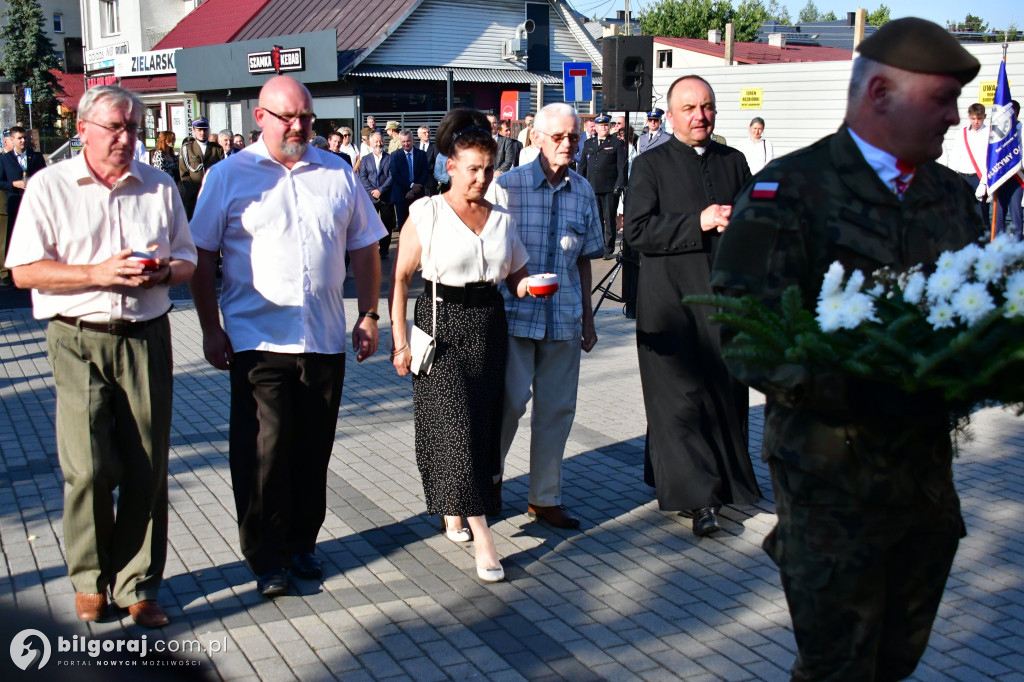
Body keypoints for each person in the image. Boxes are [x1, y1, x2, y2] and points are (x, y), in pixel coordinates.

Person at [710, 18, 983, 679]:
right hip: (830, 479)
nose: (955, 117)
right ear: (881, 92)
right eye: (941, 99)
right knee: (838, 667)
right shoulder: (792, 190)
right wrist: (859, 376)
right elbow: (742, 331)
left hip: (923, 480)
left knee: (896, 660)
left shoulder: (951, 197)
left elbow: (984, 307)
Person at [4, 85, 198, 628]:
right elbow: (23, 271)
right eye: (114, 127)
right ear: (83, 129)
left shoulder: (158, 186)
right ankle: (90, 580)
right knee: (87, 467)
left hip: (144, 334)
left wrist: (163, 272)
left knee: (146, 465)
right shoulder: (50, 186)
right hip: (76, 336)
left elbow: (186, 260)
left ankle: (139, 584)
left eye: (132, 128)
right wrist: (96, 274)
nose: (125, 138)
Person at [188, 75, 385, 598]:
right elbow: (201, 255)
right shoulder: (227, 176)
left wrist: (368, 314)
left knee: (312, 449)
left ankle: (302, 543)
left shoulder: (338, 172)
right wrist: (210, 327)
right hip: (257, 341)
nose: (298, 126)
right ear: (260, 118)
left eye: (306, 117)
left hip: (322, 339)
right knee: (264, 452)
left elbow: (365, 246)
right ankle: (266, 554)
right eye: (287, 117)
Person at [389, 108, 532, 583]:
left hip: (489, 322)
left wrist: (529, 285)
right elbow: (401, 279)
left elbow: (515, 275)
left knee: (481, 425)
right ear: (450, 165)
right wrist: (398, 342)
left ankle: (455, 503)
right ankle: (485, 539)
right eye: (472, 168)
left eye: (488, 169)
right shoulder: (426, 212)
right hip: (440, 323)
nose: (481, 178)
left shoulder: (502, 219)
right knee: (455, 427)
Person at [623, 75, 759, 537]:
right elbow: (637, 233)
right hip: (670, 305)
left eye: (707, 107)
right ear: (670, 112)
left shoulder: (734, 161)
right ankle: (698, 500)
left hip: (722, 299)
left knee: (723, 392)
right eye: (689, 108)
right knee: (679, 400)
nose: (700, 116)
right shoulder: (649, 165)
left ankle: (722, 482)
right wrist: (698, 221)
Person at [491, 102, 604, 529]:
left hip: (564, 316)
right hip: (515, 314)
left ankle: (544, 497)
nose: (567, 144)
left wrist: (589, 320)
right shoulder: (508, 187)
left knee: (557, 410)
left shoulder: (584, 190)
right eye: (558, 136)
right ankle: (492, 478)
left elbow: (587, 259)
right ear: (535, 138)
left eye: (574, 136)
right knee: (509, 403)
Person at [579, 114, 627, 259]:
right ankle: (598, 246)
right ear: (596, 127)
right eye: (600, 126)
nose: (603, 128)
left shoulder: (616, 143)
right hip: (593, 186)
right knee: (596, 219)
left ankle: (608, 248)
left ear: (609, 126)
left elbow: (621, 167)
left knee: (609, 218)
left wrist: (619, 184)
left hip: (610, 188)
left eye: (606, 125)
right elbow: (582, 166)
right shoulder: (589, 143)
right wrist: (580, 183)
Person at [0, 126, 47, 260]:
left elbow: (44, 177)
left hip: (32, 204)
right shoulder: (4, 159)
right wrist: (14, 184)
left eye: (25, 137)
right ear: (12, 140)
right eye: (19, 138)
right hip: (13, 203)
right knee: (12, 237)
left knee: (33, 236)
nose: (23, 141)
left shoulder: (36, 157)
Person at [942, 102, 990, 225]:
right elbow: (955, 156)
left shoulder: (990, 134)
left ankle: (983, 241)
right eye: (973, 118)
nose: (976, 122)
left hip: (979, 178)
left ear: (984, 116)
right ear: (969, 116)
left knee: (981, 213)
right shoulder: (961, 133)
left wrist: (984, 182)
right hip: (962, 176)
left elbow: (989, 160)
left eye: (979, 118)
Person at [358, 131, 396, 257]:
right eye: (376, 141)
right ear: (370, 142)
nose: (379, 143)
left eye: (380, 141)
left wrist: (381, 190)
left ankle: (384, 250)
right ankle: (372, 250)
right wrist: (372, 191)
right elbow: (362, 177)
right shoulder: (365, 159)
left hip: (386, 196)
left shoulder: (390, 158)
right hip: (370, 197)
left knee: (386, 224)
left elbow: (392, 176)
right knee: (370, 226)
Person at [178, 118, 224, 220]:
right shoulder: (187, 148)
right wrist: (192, 192)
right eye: (199, 130)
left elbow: (221, 172)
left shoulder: (217, 149)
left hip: (211, 192)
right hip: (192, 194)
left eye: (205, 130)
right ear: (194, 131)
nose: (202, 133)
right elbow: (184, 173)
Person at [389, 129, 431, 242]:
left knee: (418, 225)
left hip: (418, 195)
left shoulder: (421, 154)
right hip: (401, 196)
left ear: (413, 140)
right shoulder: (395, 155)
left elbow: (424, 173)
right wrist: (411, 185)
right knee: (403, 227)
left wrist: (414, 190)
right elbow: (395, 175)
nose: (406, 144)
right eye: (403, 142)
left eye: (408, 141)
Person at [994, 99, 1023, 238]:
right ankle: (999, 246)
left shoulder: (1022, 131)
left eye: (1013, 113)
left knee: (1016, 212)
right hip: (1000, 177)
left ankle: (1017, 247)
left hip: (1016, 177)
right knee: (999, 214)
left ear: (1017, 113)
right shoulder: (999, 132)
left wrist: (1014, 163)